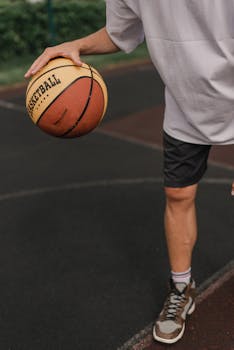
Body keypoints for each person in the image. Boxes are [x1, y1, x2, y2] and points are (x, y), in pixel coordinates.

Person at [25, 0, 234, 344]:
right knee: (178, 194)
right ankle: (182, 289)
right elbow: (119, 33)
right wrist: (77, 45)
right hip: (186, 105)